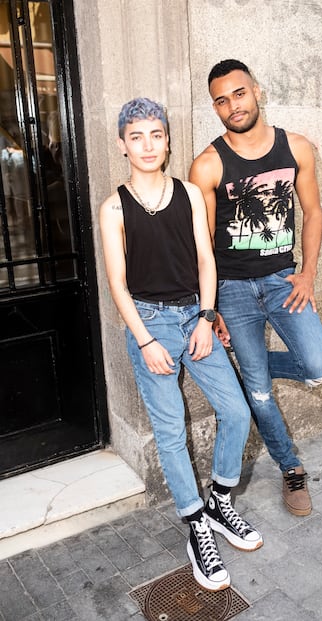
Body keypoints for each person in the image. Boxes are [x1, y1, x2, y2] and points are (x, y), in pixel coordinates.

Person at [99, 97, 263, 592]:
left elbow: (206, 259)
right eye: (137, 137)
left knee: (235, 412)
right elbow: (117, 283)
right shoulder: (113, 207)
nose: (148, 145)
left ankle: (219, 499)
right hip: (148, 324)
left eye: (156, 134)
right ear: (123, 145)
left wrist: (206, 317)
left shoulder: (190, 193)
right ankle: (196, 526)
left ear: (167, 140)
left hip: (194, 315)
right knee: (171, 432)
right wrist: (146, 340)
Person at [189, 60, 322, 517]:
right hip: (231, 289)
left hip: (283, 281)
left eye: (239, 93)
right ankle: (291, 470)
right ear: (215, 107)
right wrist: (212, 311)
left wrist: (308, 273)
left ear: (257, 92)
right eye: (221, 99)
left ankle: (250, 371)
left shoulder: (298, 149)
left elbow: (313, 212)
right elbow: (201, 249)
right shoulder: (207, 165)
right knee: (261, 396)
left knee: (316, 366)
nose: (233, 105)